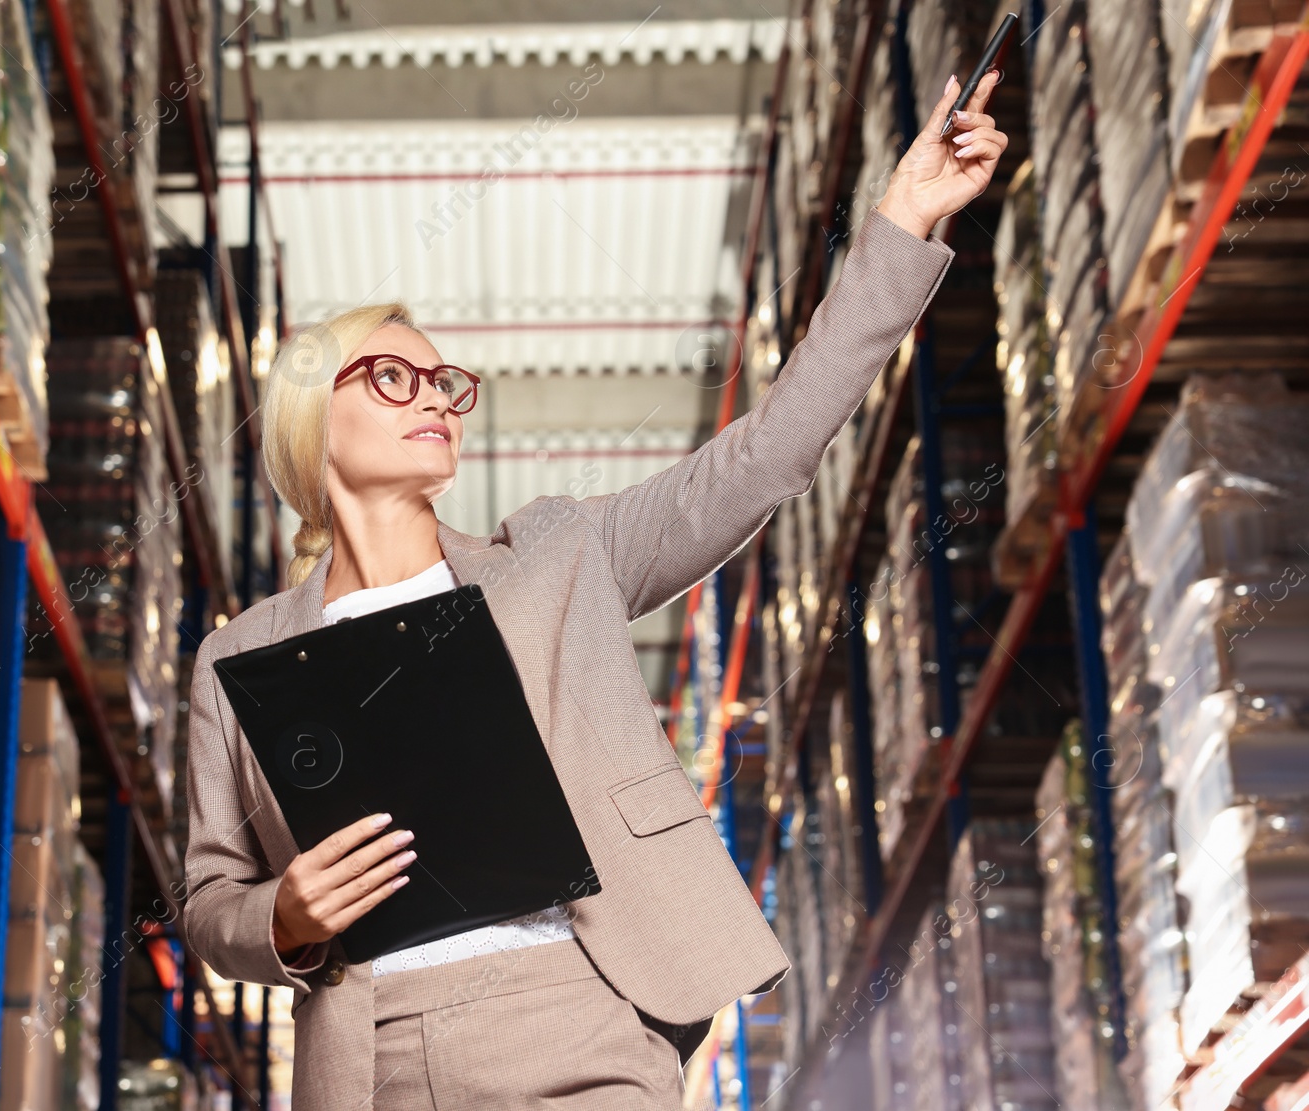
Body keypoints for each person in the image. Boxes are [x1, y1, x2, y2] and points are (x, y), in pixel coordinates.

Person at [183, 71, 1006, 1111]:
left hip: (576, 1018)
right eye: (391, 376)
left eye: (444, 383)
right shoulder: (240, 659)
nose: (433, 397)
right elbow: (211, 894)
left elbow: (764, 457)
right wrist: (284, 917)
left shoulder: (558, 556)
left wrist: (901, 220)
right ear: (311, 416)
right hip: (367, 1055)